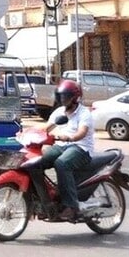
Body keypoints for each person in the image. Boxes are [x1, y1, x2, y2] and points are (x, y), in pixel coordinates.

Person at [42, 80, 94, 220]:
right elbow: (46, 128)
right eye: (61, 96)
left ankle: (71, 207)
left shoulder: (84, 113)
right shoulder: (59, 112)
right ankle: (45, 198)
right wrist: (27, 133)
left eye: (66, 96)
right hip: (62, 146)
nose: (63, 99)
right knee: (39, 160)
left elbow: (82, 133)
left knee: (62, 163)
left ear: (75, 98)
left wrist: (70, 137)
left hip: (81, 147)